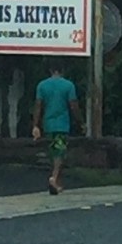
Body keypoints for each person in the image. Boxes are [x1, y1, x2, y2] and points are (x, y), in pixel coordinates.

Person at [32, 61, 81, 194]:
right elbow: (73, 105)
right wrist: (80, 121)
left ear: (50, 70)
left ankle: (56, 179)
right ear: (62, 70)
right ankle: (54, 178)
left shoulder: (42, 85)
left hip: (48, 124)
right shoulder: (68, 85)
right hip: (62, 124)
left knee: (53, 152)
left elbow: (38, 105)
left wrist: (35, 125)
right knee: (60, 152)